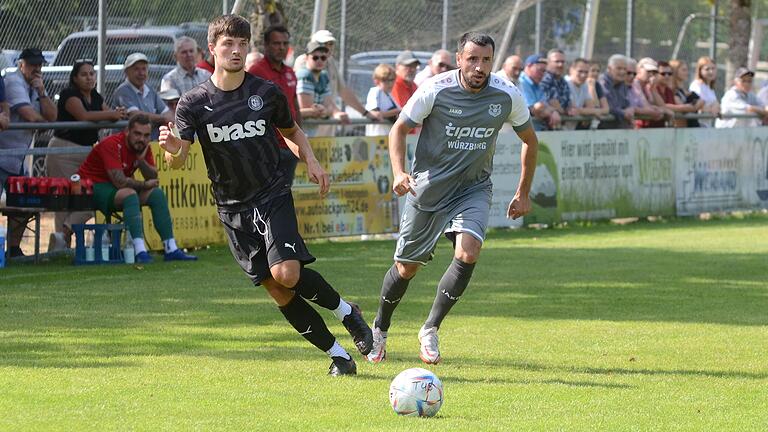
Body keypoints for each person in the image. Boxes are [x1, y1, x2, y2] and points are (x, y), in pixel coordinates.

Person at [158, 14, 372, 376]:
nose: (236, 50)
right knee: (277, 289)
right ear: (212, 49)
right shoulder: (193, 102)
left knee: (287, 273)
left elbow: (291, 131)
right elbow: (176, 159)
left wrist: (312, 161)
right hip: (231, 208)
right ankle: (338, 355)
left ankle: (346, 313)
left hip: (271, 194)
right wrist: (174, 145)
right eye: (228, 44)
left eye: (243, 44)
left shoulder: (265, 93)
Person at [366, 31, 538, 365]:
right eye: (472, 59)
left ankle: (430, 328)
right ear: (459, 59)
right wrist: (400, 173)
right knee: (406, 268)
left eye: (486, 60)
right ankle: (379, 328)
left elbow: (531, 140)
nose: (479, 67)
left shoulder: (506, 95)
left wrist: (523, 192)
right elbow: (398, 129)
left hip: (473, 188)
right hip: (428, 189)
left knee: (469, 252)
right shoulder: (434, 88)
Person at [77, 113, 196, 263]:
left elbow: (153, 176)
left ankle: (170, 248)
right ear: (127, 131)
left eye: (146, 135)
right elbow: (119, 181)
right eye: (137, 134)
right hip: (92, 187)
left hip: (115, 188)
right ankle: (139, 251)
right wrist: (145, 185)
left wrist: (141, 161)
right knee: (129, 194)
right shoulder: (112, 144)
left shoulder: (141, 148)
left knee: (156, 195)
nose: (142, 139)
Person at [46, 59, 127, 250]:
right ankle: (61, 247)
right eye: (84, 74)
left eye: (92, 73)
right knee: (63, 199)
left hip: (86, 152)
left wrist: (119, 113)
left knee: (91, 196)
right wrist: (112, 114)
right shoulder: (69, 94)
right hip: (63, 151)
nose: (89, 78)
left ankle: (64, 232)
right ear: (75, 78)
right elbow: (84, 116)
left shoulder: (95, 96)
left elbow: (110, 114)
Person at [0, 48, 57, 258]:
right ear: (21, 64)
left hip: (17, 158)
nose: (37, 69)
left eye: (40, 65)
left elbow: (52, 115)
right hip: (2, 153)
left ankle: (13, 249)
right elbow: (31, 116)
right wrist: (44, 122)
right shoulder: (14, 81)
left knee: (21, 201)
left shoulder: (36, 85)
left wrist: (42, 92)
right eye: (32, 65)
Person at [248, 24, 301, 181]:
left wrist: (300, 140)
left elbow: (295, 107)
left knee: (284, 195)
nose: (281, 48)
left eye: (285, 44)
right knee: (267, 198)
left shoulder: (290, 72)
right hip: (268, 149)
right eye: (276, 43)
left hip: (290, 147)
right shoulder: (256, 71)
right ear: (266, 45)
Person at [293, 30, 373, 121]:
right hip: (308, 123)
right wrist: (324, 111)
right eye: (324, 43)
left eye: (330, 44)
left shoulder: (330, 62)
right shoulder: (303, 62)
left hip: (324, 121)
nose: (328, 47)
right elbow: (306, 105)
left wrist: (366, 113)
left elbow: (343, 91)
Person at [112, 52, 174, 137]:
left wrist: (162, 118)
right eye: (136, 69)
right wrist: (162, 118)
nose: (141, 73)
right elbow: (136, 115)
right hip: (127, 144)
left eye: (144, 69)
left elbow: (168, 113)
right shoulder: (123, 91)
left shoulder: (150, 90)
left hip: (149, 143)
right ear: (126, 72)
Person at [296, 41, 349, 137]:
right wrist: (324, 111)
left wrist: (331, 112)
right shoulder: (304, 75)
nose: (319, 61)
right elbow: (308, 110)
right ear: (307, 58)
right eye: (315, 57)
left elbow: (328, 106)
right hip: (298, 131)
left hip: (311, 131)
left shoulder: (323, 76)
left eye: (323, 58)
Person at [518, 53, 559, 130]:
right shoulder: (521, 82)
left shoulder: (537, 83)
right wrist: (551, 112)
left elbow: (544, 104)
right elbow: (534, 109)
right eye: (540, 70)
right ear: (529, 66)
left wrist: (553, 111)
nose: (543, 74)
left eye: (544, 71)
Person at [565, 57, 609, 129]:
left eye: (586, 72)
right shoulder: (566, 83)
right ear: (571, 70)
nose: (583, 75)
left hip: (571, 130)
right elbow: (574, 109)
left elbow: (591, 106)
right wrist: (594, 112)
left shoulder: (584, 85)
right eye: (580, 71)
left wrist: (591, 111)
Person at [659, 60, 703, 128]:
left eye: (687, 70)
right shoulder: (672, 92)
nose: (687, 73)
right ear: (675, 71)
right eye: (683, 70)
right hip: (681, 128)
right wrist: (690, 107)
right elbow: (684, 108)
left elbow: (701, 102)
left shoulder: (685, 91)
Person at [632, 57, 670, 128]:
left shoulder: (647, 87)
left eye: (654, 72)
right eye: (648, 71)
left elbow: (661, 105)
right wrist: (662, 111)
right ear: (639, 70)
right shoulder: (635, 84)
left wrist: (653, 89)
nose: (651, 74)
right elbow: (646, 106)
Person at [598, 54, 634, 129]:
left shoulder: (623, 84)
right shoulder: (602, 83)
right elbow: (609, 106)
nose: (622, 72)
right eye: (619, 68)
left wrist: (630, 109)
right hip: (601, 130)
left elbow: (627, 103)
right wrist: (623, 113)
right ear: (609, 68)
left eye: (625, 69)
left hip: (618, 130)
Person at [364, 64, 400, 136]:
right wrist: (397, 111)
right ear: (377, 81)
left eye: (392, 80)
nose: (390, 84)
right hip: (376, 137)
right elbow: (375, 113)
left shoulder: (389, 95)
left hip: (388, 137)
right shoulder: (375, 91)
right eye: (386, 81)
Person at [540, 48, 572, 119]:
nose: (560, 65)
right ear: (548, 62)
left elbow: (569, 104)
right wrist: (565, 112)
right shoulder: (543, 79)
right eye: (557, 61)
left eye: (563, 62)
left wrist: (569, 109)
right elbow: (552, 102)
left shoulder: (564, 82)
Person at [689, 56, 720, 127]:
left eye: (713, 68)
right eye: (707, 69)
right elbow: (697, 105)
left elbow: (716, 104)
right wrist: (711, 109)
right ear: (700, 70)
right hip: (698, 125)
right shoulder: (697, 85)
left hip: (708, 125)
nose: (711, 72)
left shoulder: (710, 87)